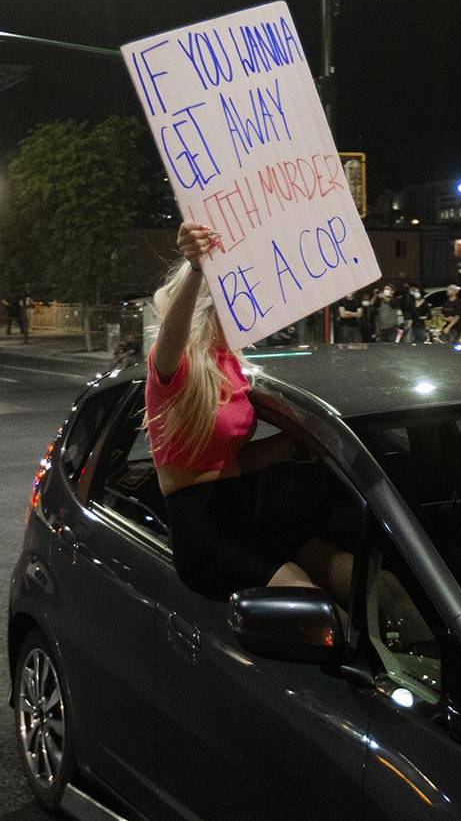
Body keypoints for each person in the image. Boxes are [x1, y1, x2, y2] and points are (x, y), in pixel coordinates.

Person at [145, 221, 428, 636]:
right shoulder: (173, 370)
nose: (252, 309)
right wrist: (197, 269)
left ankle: (429, 667)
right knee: (317, 609)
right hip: (203, 530)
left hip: (248, 514)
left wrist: (296, 441)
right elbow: (172, 335)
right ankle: (366, 684)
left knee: (374, 582)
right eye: (241, 301)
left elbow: (235, 460)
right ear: (214, 309)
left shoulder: (234, 369)